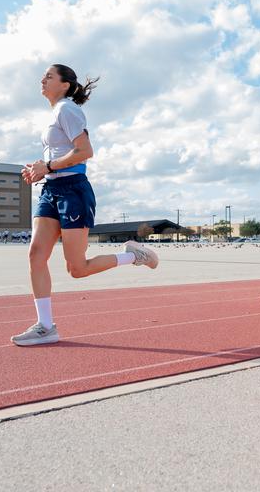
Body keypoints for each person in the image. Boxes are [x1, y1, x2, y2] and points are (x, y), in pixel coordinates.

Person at [11, 64, 159, 346]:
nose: (42, 79)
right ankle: (45, 326)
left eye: (49, 76)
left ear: (65, 84)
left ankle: (134, 256)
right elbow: (58, 156)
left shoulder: (68, 109)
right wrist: (39, 169)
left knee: (77, 269)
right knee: (36, 255)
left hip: (73, 191)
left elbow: (85, 152)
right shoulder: (54, 114)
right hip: (50, 189)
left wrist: (49, 165)